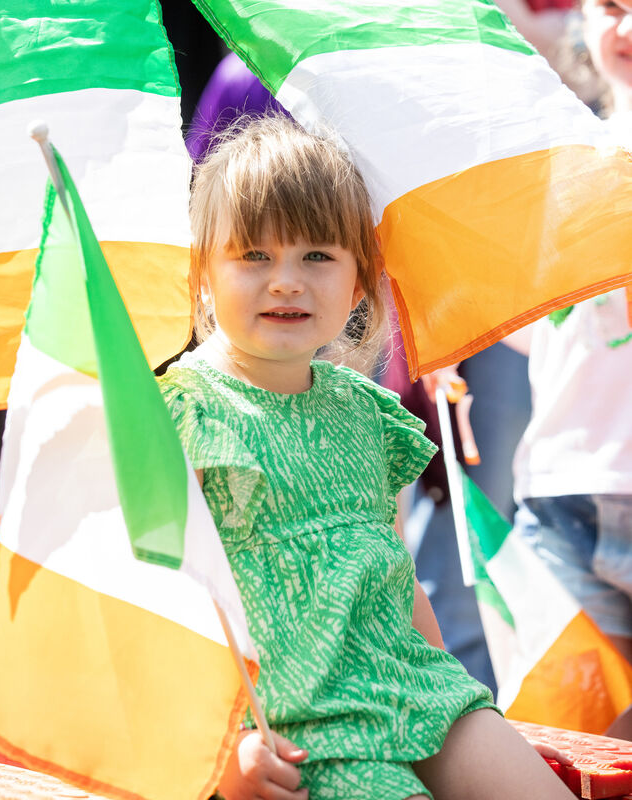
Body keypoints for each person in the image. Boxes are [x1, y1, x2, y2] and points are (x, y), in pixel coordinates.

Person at [158, 114, 574, 799]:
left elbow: (388, 566)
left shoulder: (362, 408)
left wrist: (446, 683)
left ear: (360, 281)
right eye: (253, 256)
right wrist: (218, 749)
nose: (286, 281)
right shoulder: (184, 415)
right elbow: (156, 603)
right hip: (302, 722)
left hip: (413, 688)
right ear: (202, 273)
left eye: (316, 256)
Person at [510, 0, 632, 738]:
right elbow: (533, 328)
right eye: (612, 7)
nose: (625, 31)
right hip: (561, 488)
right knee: (574, 745)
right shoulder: (555, 155)